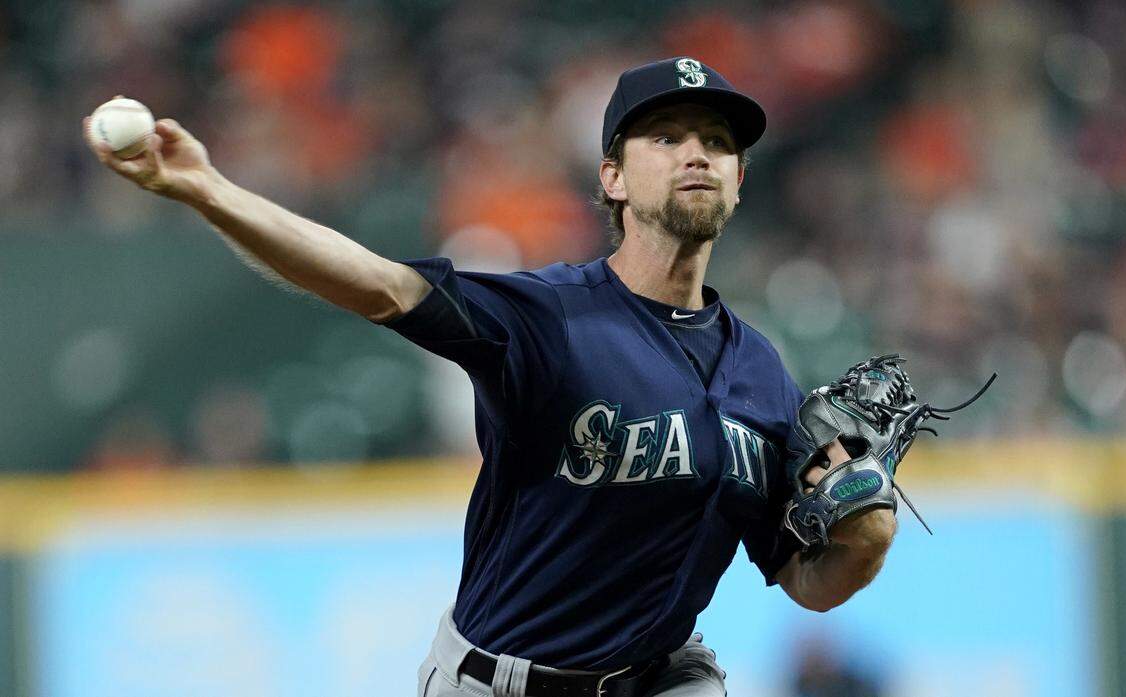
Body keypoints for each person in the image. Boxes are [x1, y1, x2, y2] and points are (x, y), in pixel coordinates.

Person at [83, 57, 897, 697]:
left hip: (665, 676)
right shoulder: (548, 319)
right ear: (613, 177)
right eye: (667, 137)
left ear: (740, 181)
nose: (698, 153)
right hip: (501, 682)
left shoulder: (762, 372)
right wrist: (209, 190)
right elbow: (376, 283)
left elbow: (807, 583)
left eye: (718, 143)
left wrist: (866, 538)